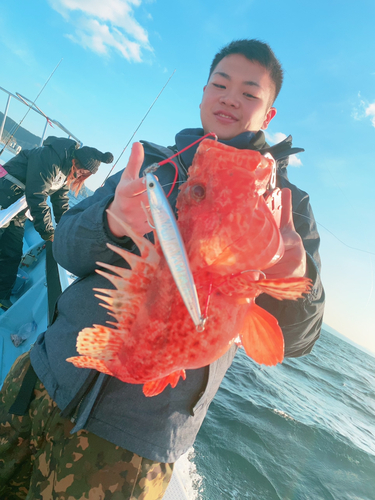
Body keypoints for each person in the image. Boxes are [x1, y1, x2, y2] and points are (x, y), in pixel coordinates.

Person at [0, 39, 325, 499]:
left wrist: (296, 281)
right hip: (42, 375)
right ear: (203, 94)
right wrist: (109, 221)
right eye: (220, 84)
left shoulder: (286, 205)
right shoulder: (151, 166)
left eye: (250, 92)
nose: (231, 97)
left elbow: (299, 338)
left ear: (269, 114)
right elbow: (66, 250)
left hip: (127, 447)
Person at [0, 136, 114, 310]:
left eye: (85, 175)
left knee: (12, 252)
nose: (81, 175)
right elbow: (37, 195)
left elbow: (60, 202)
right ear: (77, 161)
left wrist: (66, 228)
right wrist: (48, 232)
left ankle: (2, 295)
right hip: (5, 194)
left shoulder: (65, 173)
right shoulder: (50, 158)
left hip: (17, 208)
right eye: (83, 171)